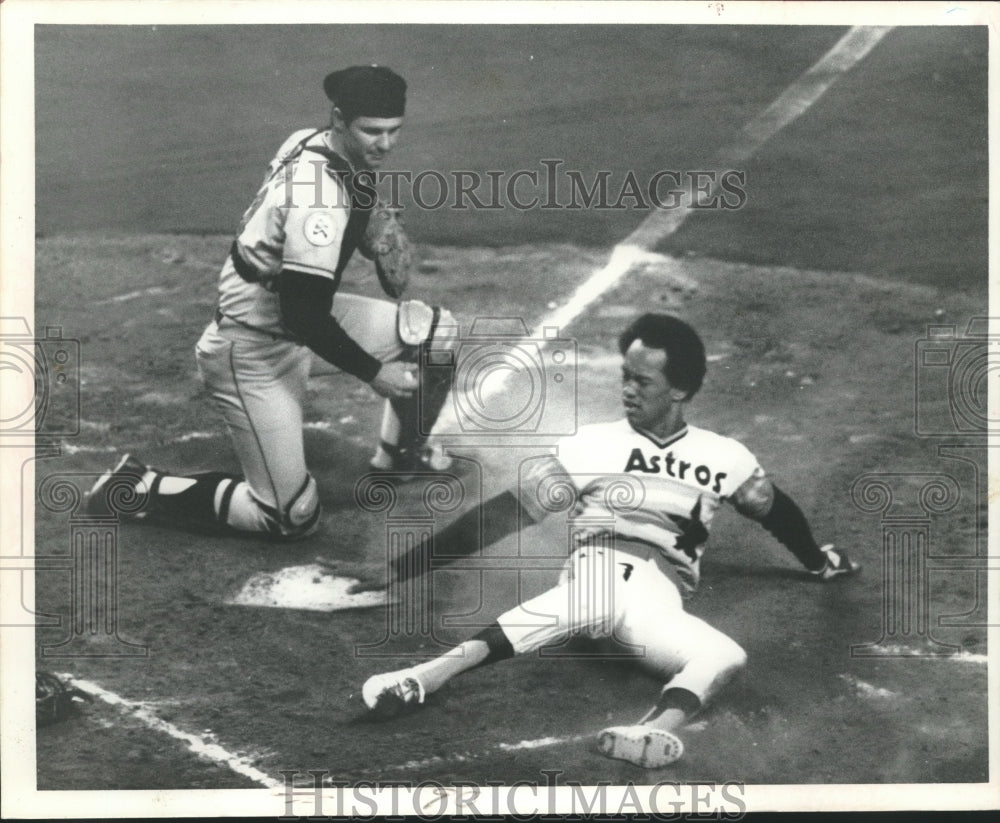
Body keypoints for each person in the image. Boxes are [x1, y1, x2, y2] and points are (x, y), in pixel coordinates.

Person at [359, 313, 860, 768]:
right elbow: (508, 513)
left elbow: (777, 511)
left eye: (642, 380)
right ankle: (420, 679)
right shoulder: (592, 443)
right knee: (579, 600)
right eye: (626, 376)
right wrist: (408, 564)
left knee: (725, 654)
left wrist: (818, 561)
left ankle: (651, 735)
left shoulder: (723, 456)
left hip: (657, 602)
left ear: (680, 390)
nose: (628, 389)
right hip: (598, 572)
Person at [87, 65, 457, 539]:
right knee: (287, 517)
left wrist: (372, 220)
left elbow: (321, 247)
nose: (384, 145)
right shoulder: (318, 203)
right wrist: (375, 373)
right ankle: (136, 486)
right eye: (372, 131)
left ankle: (403, 459)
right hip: (253, 347)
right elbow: (302, 314)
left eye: (394, 131)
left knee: (434, 332)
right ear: (340, 119)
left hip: (285, 310)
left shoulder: (309, 139)